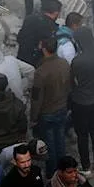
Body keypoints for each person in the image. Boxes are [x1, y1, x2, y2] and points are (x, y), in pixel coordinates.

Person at [30, 35, 70, 176]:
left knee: (50, 144)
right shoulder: (64, 63)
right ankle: (64, 168)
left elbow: (36, 97)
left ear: (44, 49)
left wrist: (33, 117)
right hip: (62, 108)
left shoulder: (41, 72)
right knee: (60, 140)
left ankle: (53, 173)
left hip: (47, 112)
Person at [69, 23, 94, 172]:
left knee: (82, 135)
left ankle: (86, 166)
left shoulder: (77, 61)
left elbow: (72, 81)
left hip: (81, 101)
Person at [16, 0, 61, 67]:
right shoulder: (51, 28)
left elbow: (19, 37)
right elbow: (48, 49)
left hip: (21, 58)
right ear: (56, 13)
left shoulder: (29, 18)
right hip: (35, 63)